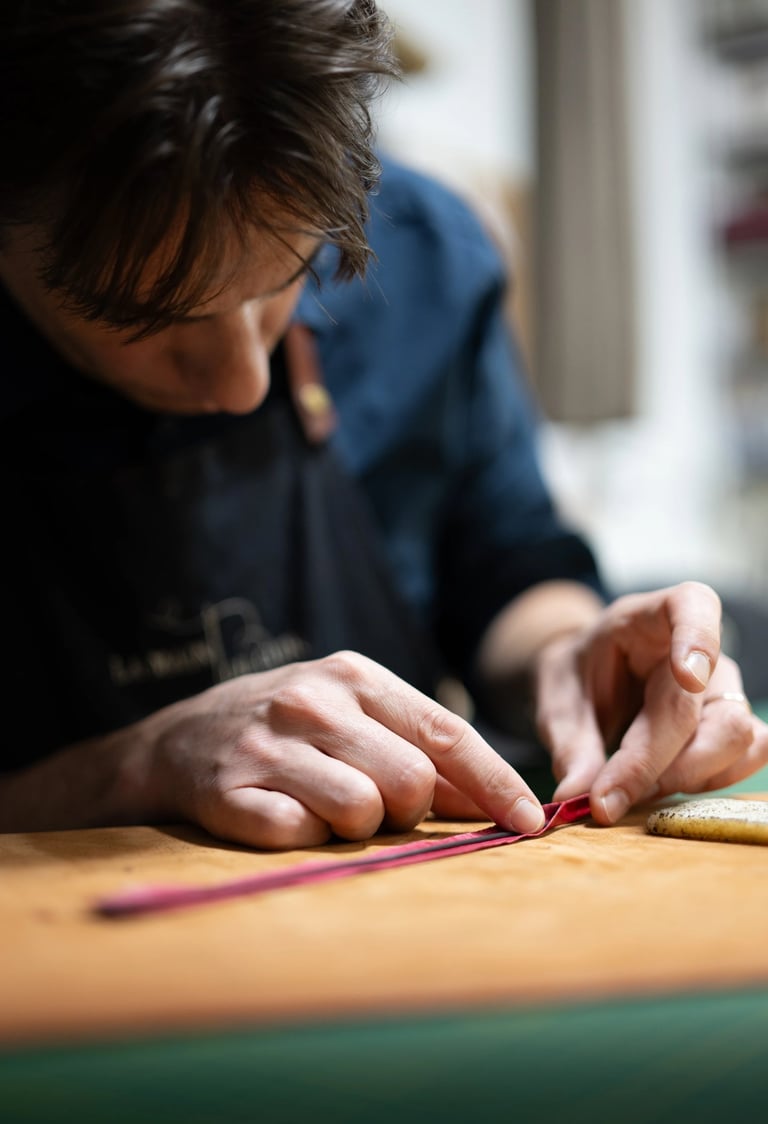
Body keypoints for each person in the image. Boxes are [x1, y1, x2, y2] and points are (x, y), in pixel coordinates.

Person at [0, 0, 764, 849]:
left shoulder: (426, 251)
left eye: (280, 283)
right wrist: (137, 765)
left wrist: (574, 663)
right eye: (149, 320)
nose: (241, 384)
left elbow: (504, 564)